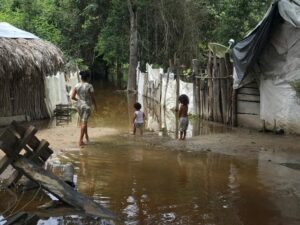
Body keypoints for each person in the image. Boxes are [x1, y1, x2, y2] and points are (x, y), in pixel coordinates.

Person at [71, 70, 97, 146]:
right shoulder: (89, 86)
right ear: (88, 78)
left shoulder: (76, 85)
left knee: (83, 122)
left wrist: (78, 100)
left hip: (79, 106)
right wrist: (96, 106)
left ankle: (86, 136)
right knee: (84, 123)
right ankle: (80, 141)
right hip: (87, 106)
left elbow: (72, 97)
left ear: (81, 77)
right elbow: (93, 98)